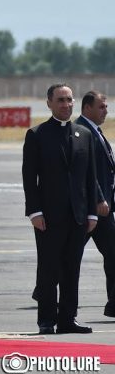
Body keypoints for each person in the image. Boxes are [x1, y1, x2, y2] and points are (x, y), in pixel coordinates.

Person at [22, 83, 97, 334]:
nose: (66, 105)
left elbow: (90, 176)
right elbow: (29, 177)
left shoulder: (83, 134)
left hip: (78, 215)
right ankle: (46, 320)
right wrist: (34, 211)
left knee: (71, 268)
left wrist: (92, 212)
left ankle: (67, 318)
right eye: (61, 100)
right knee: (48, 268)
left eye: (69, 100)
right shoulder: (37, 134)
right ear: (49, 103)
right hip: (48, 217)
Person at [75, 91, 115, 318]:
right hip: (89, 208)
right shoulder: (81, 131)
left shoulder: (95, 131)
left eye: (106, 107)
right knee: (68, 253)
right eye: (101, 107)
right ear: (87, 108)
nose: (106, 111)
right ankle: (45, 292)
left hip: (102, 209)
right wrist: (99, 198)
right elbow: (86, 172)